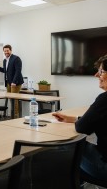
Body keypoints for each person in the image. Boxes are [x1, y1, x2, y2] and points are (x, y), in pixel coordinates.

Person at [52, 55, 107, 183]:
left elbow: (81, 127)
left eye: (101, 71)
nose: (96, 75)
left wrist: (78, 121)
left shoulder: (104, 99)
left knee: (65, 145)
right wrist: (73, 118)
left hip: (104, 168)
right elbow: (101, 120)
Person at [0, 44, 24, 118]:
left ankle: (15, 117)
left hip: (16, 83)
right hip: (8, 83)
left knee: (14, 100)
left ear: (11, 50)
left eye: (7, 50)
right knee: (11, 100)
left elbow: (18, 71)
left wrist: (14, 82)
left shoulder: (16, 58)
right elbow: (4, 71)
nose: (6, 52)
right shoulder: (5, 60)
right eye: (5, 51)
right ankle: (13, 116)